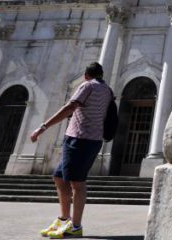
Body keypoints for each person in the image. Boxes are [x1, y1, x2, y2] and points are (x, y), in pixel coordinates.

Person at [30, 62, 113, 238]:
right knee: (59, 177)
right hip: (88, 139)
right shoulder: (107, 90)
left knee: (78, 183)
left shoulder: (87, 85)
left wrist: (42, 127)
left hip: (80, 138)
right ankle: (63, 219)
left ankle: (75, 226)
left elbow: (69, 108)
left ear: (86, 75)